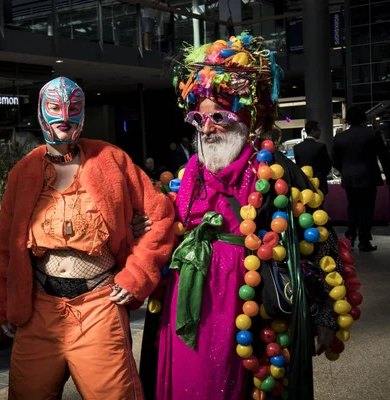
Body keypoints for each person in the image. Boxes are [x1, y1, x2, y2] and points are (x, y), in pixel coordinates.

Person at [141, 33, 351, 400]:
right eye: (198, 119)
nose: (206, 129)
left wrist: (325, 315)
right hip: (186, 308)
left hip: (248, 311)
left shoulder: (276, 172)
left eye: (218, 118)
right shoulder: (187, 175)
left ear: (245, 119)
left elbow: (320, 241)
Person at [0, 76, 175, 399]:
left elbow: (160, 216)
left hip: (99, 309)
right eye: (55, 108)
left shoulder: (112, 160)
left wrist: (135, 275)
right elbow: (7, 247)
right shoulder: (22, 172)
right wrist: (5, 303)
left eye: (73, 108)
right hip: (38, 312)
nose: (64, 117)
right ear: (40, 111)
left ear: (83, 112)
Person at [333, 107, 390, 251]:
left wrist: (345, 170)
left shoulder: (340, 137)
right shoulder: (373, 134)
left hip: (350, 178)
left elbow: (335, 161)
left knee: (352, 206)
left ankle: (351, 234)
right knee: (367, 208)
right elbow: (383, 157)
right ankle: (364, 240)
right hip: (368, 176)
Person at [294, 121, 332, 194]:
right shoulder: (321, 146)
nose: (320, 132)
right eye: (318, 130)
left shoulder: (297, 148)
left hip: (304, 183)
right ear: (313, 131)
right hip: (319, 182)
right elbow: (327, 165)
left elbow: (298, 165)